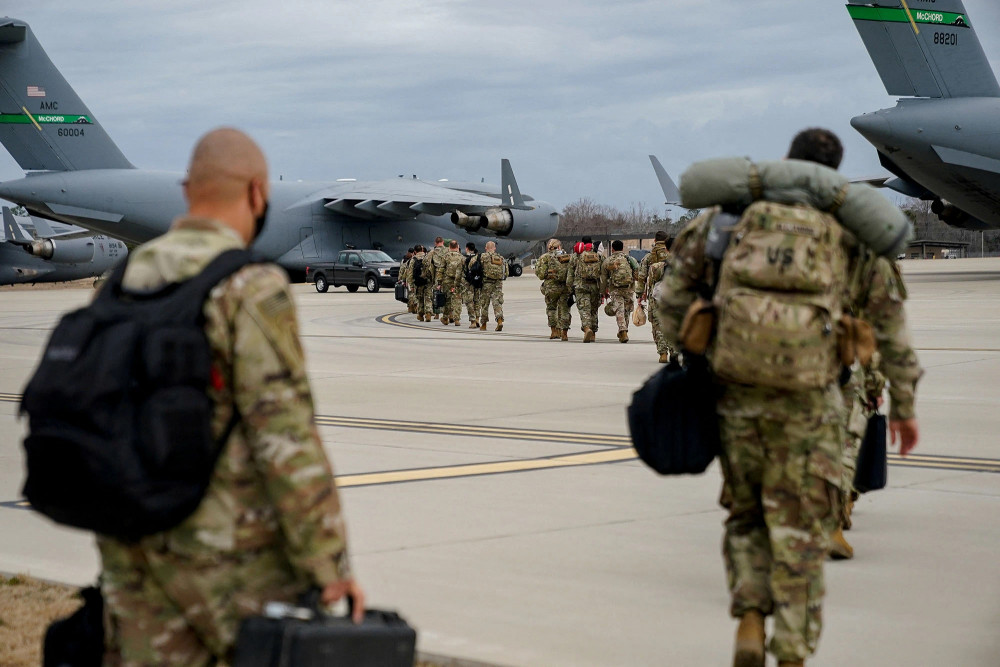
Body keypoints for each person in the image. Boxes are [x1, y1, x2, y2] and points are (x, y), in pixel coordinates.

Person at [652, 128, 921, 667]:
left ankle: (751, 617)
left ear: (784, 164)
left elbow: (671, 298)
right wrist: (906, 405)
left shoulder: (726, 219)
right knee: (801, 525)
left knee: (747, 513)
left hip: (736, 394)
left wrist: (696, 362)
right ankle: (793, 650)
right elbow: (889, 322)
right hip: (813, 399)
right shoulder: (848, 227)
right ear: (832, 176)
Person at [96, 128, 363, 665]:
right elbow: (285, 439)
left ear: (187, 189)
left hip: (131, 548)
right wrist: (328, 564)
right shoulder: (250, 287)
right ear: (258, 193)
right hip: (225, 560)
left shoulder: (125, 279)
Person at [636, 231, 675, 362]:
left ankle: (663, 353)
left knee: (658, 324)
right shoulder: (683, 261)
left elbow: (642, 277)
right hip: (675, 295)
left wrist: (639, 295)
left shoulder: (649, 258)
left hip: (657, 295)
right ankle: (674, 350)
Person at [534, 238, 572, 340]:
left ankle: (554, 331)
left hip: (551, 287)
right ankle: (564, 333)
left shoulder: (544, 257)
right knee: (564, 309)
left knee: (551, 308)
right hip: (564, 287)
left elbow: (541, 274)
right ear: (559, 246)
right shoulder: (567, 257)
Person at [566, 235, 602, 343]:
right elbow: (602, 271)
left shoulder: (576, 255)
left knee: (584, 309)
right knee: (594, 310)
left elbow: (570, 272)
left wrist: (569, 287)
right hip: (595, 286)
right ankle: (593, 334)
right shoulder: (597, 254)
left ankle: (587, 329)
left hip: (581, 286)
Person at [601, 239, 636, 343]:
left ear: (612, 249)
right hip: (629, 288)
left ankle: (622, 330)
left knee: (619, 309)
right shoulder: (630, 259)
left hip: (615, 289)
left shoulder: (608, 260)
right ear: (622, 248)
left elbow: (603, 277)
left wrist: (603, 292)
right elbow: (637, 273)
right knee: (627, 310)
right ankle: (624, 331)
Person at [478, 240, 508, 331]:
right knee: (497, 303)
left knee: (484, 304)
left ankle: (483, 325)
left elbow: (475, 267)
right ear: (494, 248)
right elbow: (506, 273)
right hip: (498, 284)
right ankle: (499, 321)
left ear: (486, 248)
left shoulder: (482, 257)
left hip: (486, 283)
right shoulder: (501, 258)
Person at [441, 239, 465, 325]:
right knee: (457, 299)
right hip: (458, 281)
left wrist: (439, 282)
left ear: (449, 247)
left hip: (447, 281)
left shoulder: (446, 256)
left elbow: (441, 270)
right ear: (457, 247)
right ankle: (457, 319)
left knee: (447, 300)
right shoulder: (462, 257)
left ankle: (445, 318)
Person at [426, 236, 448, 319]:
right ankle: (449, 314)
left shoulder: (432, 252)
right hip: (446, 275)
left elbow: (426, 263)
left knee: (436, 294)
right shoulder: (448, 251)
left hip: (437, 275)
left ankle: (437, 313)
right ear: (443, 242)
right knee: (447, 294)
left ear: (435, 243)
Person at [462, 242, 482, 329]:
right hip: (477, 283)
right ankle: (477, 318)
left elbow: (460, 272)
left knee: (469, 302)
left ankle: (473, 320)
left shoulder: (464, 259)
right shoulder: (479, 258)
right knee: (477, 300)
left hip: (468, 283)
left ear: (467, 248)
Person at [400, 247, 417, 313]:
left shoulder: (405, 259)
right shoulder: (415, 259)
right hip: (415, 278)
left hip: (408, 278)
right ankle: (414, 306)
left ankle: (410, 306)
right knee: (414, 293)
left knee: (410, 293)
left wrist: (401, 279)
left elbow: (402, 269)